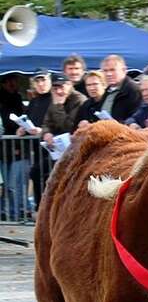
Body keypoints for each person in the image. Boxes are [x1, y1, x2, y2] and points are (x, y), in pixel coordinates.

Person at [17, 69, 52, 210]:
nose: (41, 84)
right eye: (37, 81)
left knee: (43, 177)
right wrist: (22, 129)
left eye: (43, 80)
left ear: (49, 80)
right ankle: (40, 208)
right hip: (37, 149)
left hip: (52, 148)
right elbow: (28, 120)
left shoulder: (54, 98)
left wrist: (42, 131)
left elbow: (55, 123)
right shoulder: (34, 102)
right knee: (37, 176)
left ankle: (45, 209)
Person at [0, 73, 30, 220]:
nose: (14, 84)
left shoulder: (17, 98)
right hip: (5, 148)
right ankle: (10, 211)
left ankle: (18, 212)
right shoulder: (5, 99)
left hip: (16, 145)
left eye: (15, 82)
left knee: (14, 184)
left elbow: (18, 120)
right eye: (10, 82)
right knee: (8, 184)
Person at [41, 73, 86, 148]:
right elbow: (47, 122)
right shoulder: (55, 98)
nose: (58, 91)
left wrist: (58, 106)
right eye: (55, 89)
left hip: (77, 144)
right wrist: (46, 133)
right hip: (60, 144)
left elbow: (69, 126)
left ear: (69, 85)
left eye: (62, 87)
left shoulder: (78, 99)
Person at [99, 54, 141, 123]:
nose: (108, 74)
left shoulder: (133, 91)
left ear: (124, 70)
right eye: (105, 71)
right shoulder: (108, 91)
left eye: (112, 70)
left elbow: (135, 119)